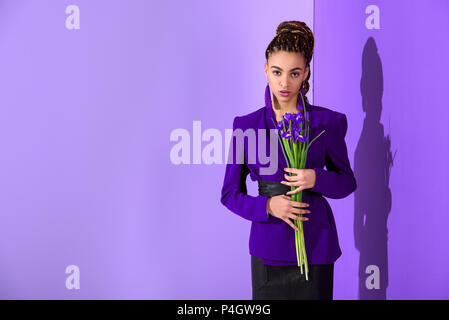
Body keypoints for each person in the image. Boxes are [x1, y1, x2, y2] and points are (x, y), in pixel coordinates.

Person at [220, 20, 357, 300]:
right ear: (265, 70)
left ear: (306, 73)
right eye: (277, 72)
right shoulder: (247, 126)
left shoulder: (327, 122)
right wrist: (268, 205)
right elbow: (229, 194)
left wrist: (316, 178)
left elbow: (347, 183)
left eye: (294, 73)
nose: (284, 83)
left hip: (316, 243)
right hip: (267, 246)